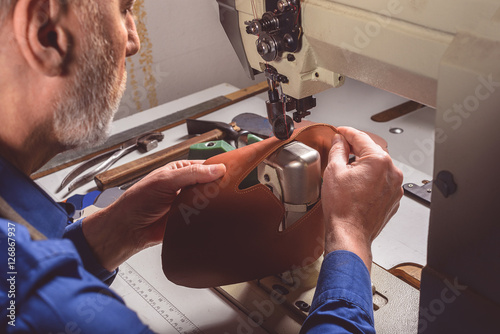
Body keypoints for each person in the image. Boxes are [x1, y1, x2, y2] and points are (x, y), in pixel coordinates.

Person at [0, 0, 403, 333]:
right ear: (44, 30)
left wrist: (107, 238)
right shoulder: (69, 315)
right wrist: (351, 237)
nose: (133, 41)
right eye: (123, 10)